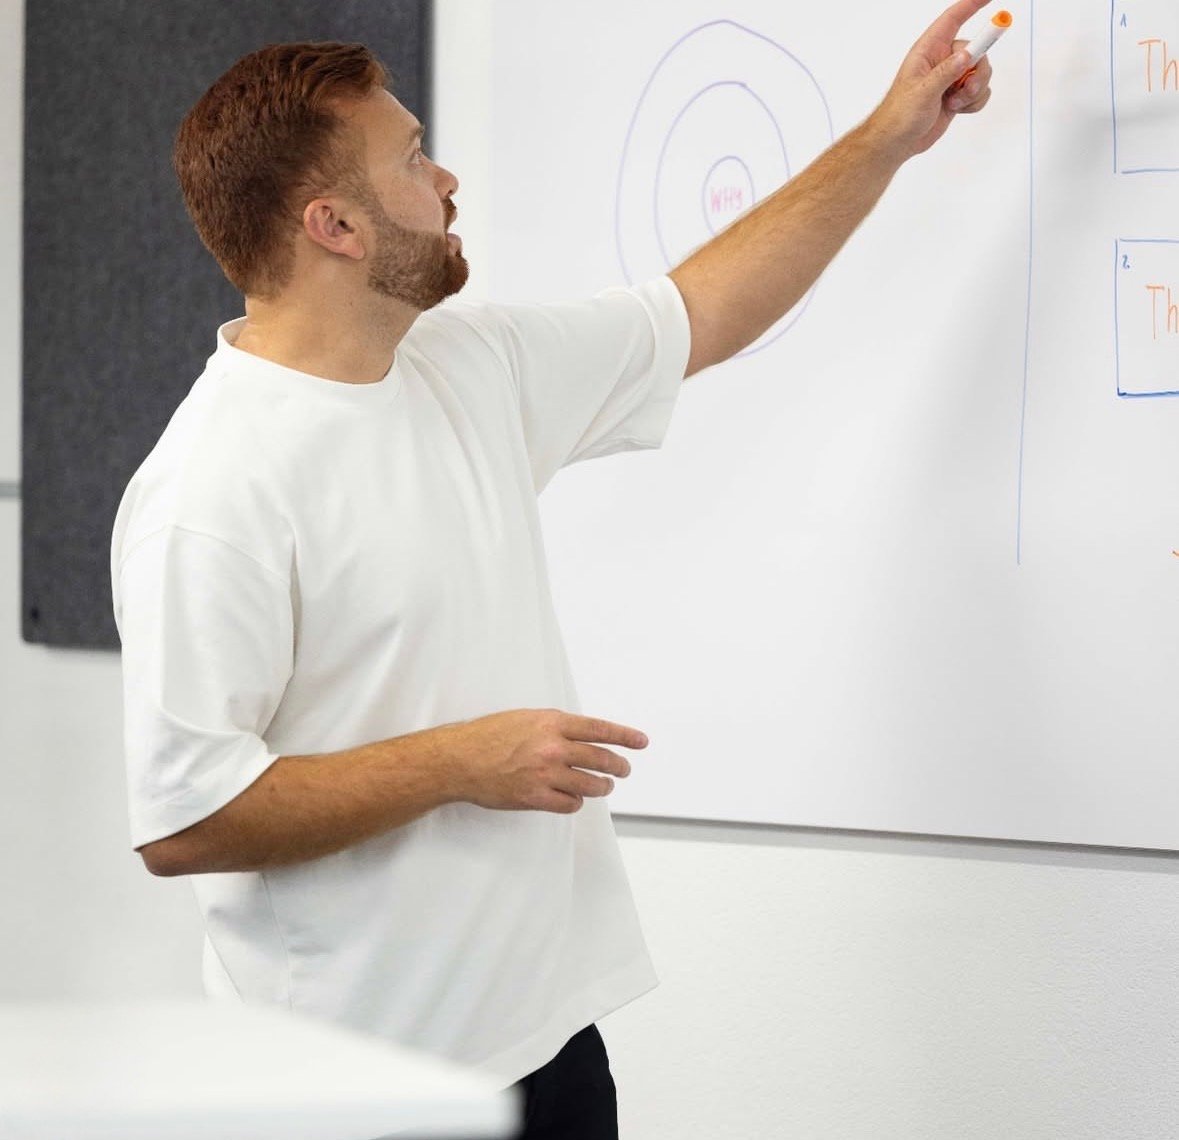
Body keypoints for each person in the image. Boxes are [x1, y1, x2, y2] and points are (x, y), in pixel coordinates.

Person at [110, 3, 993, 1136]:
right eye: (413, 159)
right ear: (332, 223)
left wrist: (888, 134)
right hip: (349, 1082)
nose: (446, 180)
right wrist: (461, 761)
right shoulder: (210, 493)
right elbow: (185, 820)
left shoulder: (465, 365)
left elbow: (701, 310)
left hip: (543, 1044)